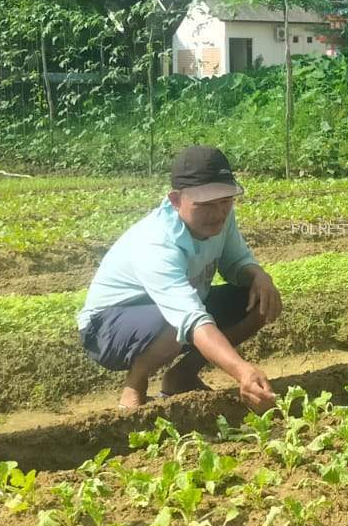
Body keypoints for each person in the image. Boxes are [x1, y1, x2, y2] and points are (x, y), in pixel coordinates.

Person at [77, 146, 281, 412]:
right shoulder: (156, 242)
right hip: (107, 327)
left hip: (175, 311)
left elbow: (236, 263)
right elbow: (188, 317)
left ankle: (180, 377)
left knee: (258, 300)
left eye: (225, 201)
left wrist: (258, 274)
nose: (218, 213)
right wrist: (242, 371)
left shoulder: (222, 217)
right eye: (205, 205)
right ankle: (134, 385)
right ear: (175, 200)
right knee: (177, 322)